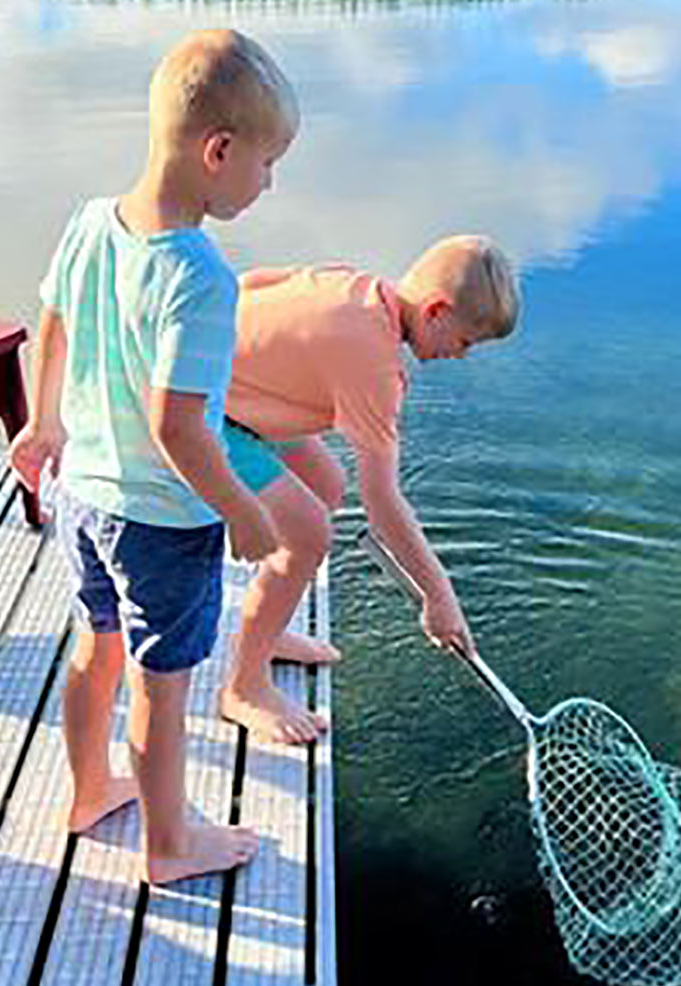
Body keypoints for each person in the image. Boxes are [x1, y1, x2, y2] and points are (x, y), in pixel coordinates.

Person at [9, 28, 298, 885]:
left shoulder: (91, 221)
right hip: (162, 523)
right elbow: (178, 428)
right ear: (219, 150)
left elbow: (54, 319)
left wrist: (44, 421)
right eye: (267, 162)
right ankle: (171, 846)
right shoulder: (201, 276)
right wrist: (247, 513)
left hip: (82, 497)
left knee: (95, 650)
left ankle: (90, 788)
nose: (269, 181)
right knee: (161, 687)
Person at [218, 236, 520, 744]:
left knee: (326, 486)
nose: (462, 356)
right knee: (309, 535)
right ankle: (243, 688)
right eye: (466, 341)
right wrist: (439, 596)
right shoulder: (376, 367)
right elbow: (382, 503)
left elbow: (253, 283)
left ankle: (263, 633)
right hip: (204, 411)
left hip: (241, 394)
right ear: (438, 311)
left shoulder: (357, 285)